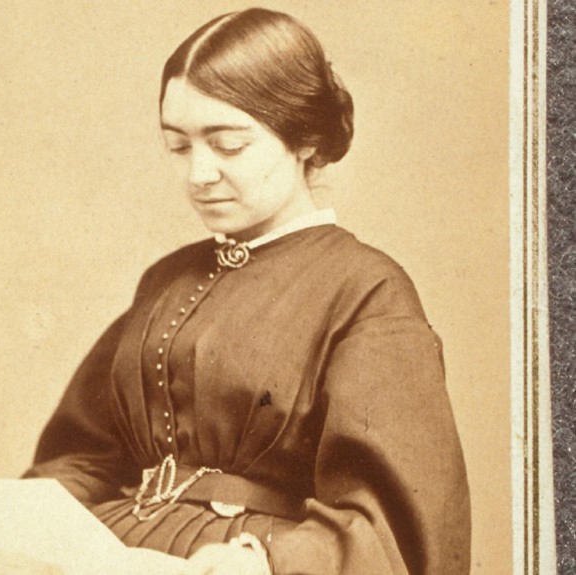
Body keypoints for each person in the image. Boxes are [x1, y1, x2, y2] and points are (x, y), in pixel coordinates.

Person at [24, 8, 471, 575]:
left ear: (305, 140)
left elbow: (389, 526)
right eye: (179, 147)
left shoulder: (366, 289)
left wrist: (268, 562)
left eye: (228, 145)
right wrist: (13, 516)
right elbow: (83, 455)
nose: (198, 174)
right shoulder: (166, 278)